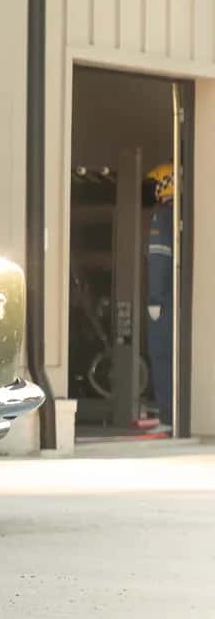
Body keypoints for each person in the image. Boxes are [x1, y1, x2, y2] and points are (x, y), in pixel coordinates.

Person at [146, 162, 176, 431]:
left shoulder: (161, 216)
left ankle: (168, 417)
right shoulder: (184, 214)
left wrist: (154, 299)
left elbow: (158, 260)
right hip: (180, 298)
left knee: (161, 354)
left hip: (165, 300)